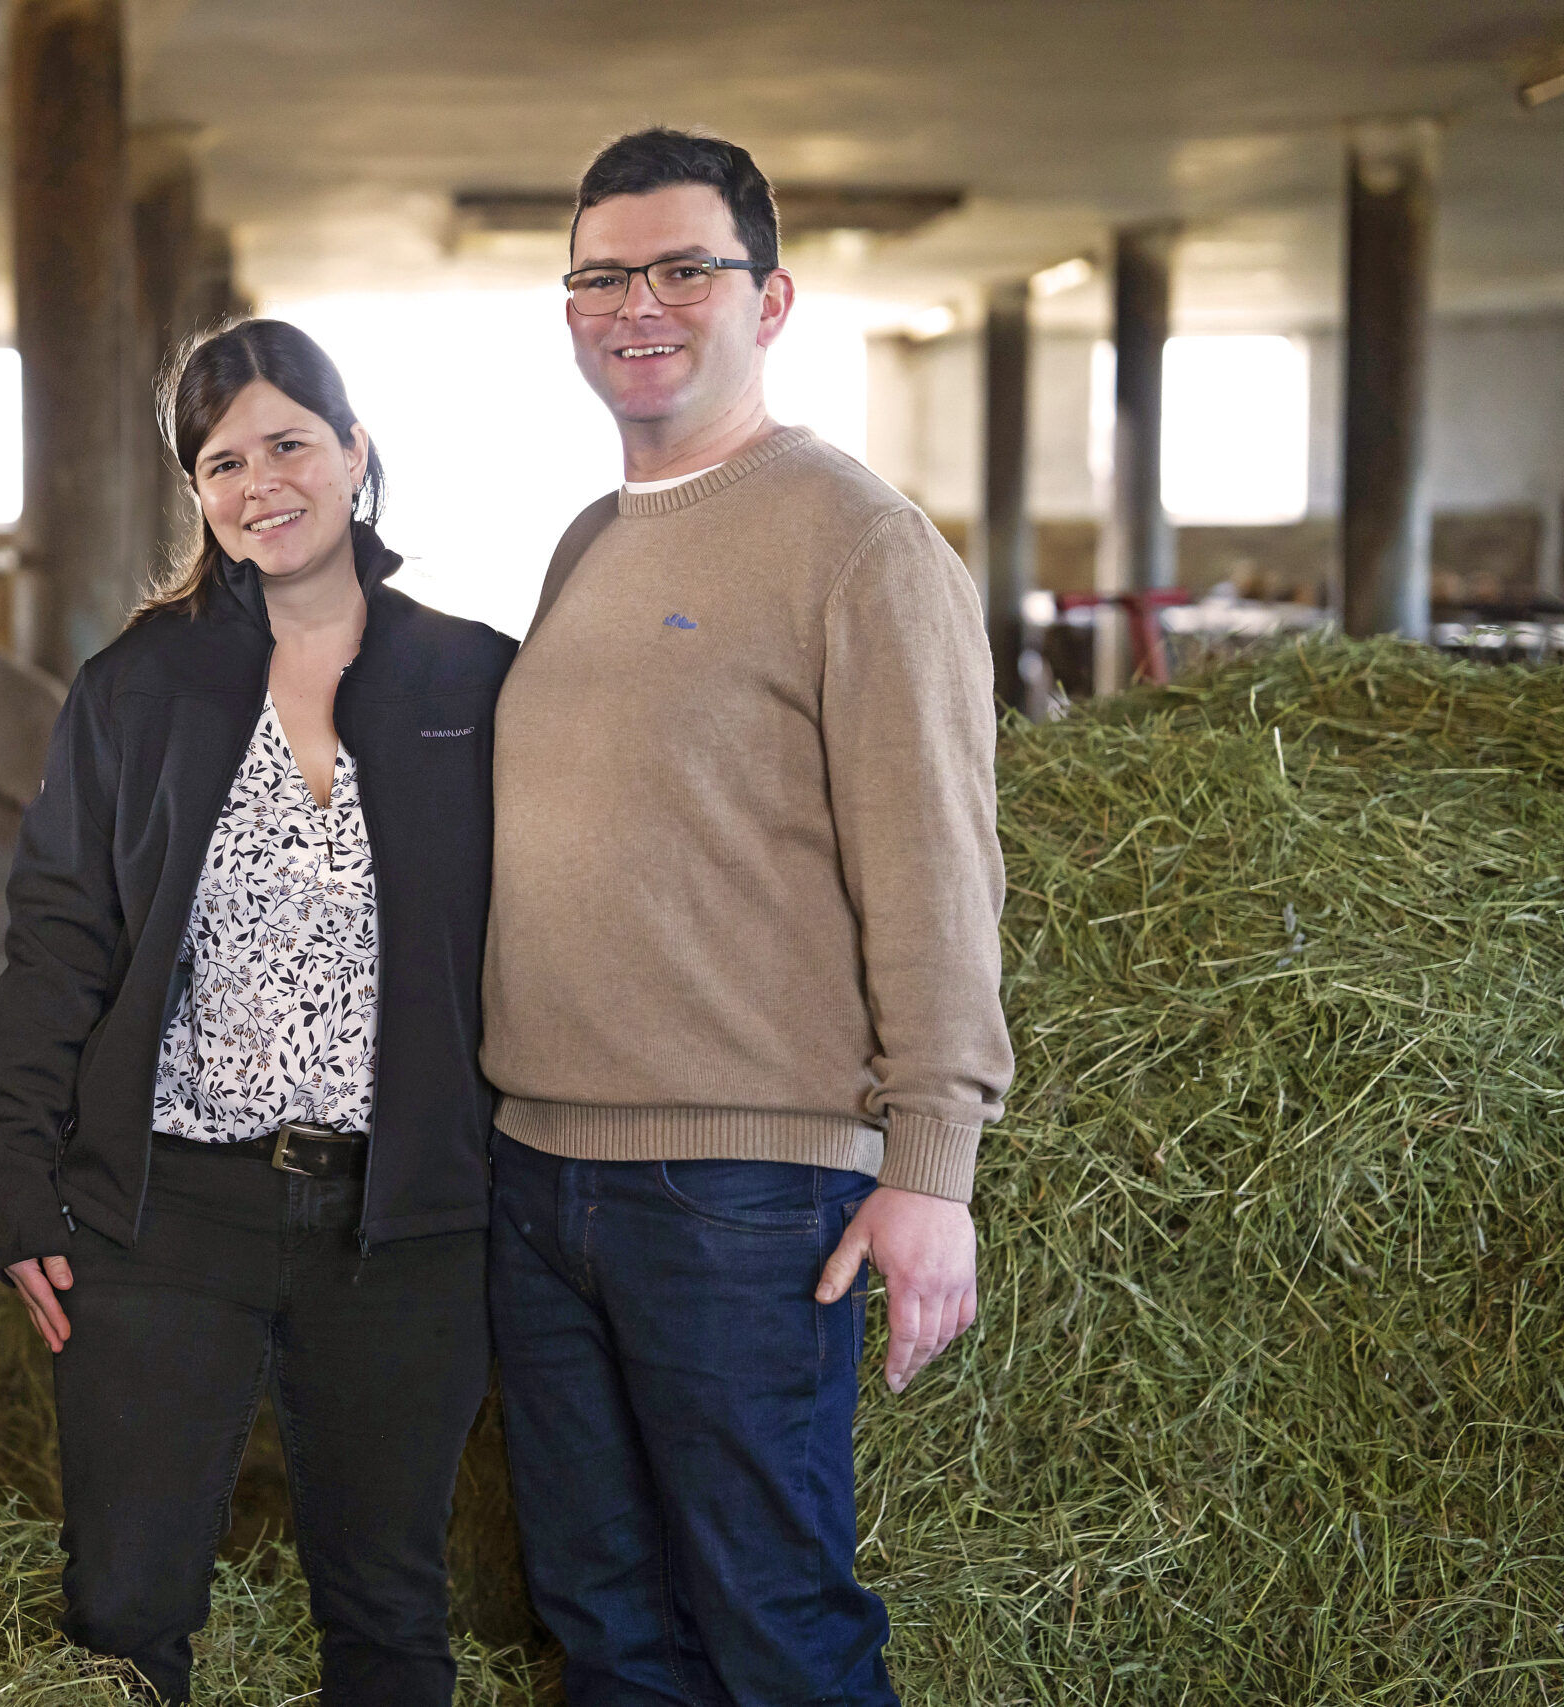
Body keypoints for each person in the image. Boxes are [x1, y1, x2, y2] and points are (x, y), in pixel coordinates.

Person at [481, 127, 1015, 1705]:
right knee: (602, 1624)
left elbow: (935, 866)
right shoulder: (590, 540)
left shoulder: (856, 542)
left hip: (741, 1191)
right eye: (600, 274)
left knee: (772, 1623)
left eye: (681, 269)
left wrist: (937, 1166)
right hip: (541, 1172)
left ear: (768, 300)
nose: (635, 303)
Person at [0, 318, 516, 1705]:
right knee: (125, 1597)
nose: (260, 480)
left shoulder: (475, 679)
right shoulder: (135, 689)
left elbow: (550, 932)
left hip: (404, 1220)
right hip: (171, 1207)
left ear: (355, 455)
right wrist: (23, 1186)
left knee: (388, 1600)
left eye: (289, 442)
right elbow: (55, 945)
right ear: (200, 497)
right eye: (223, 462)